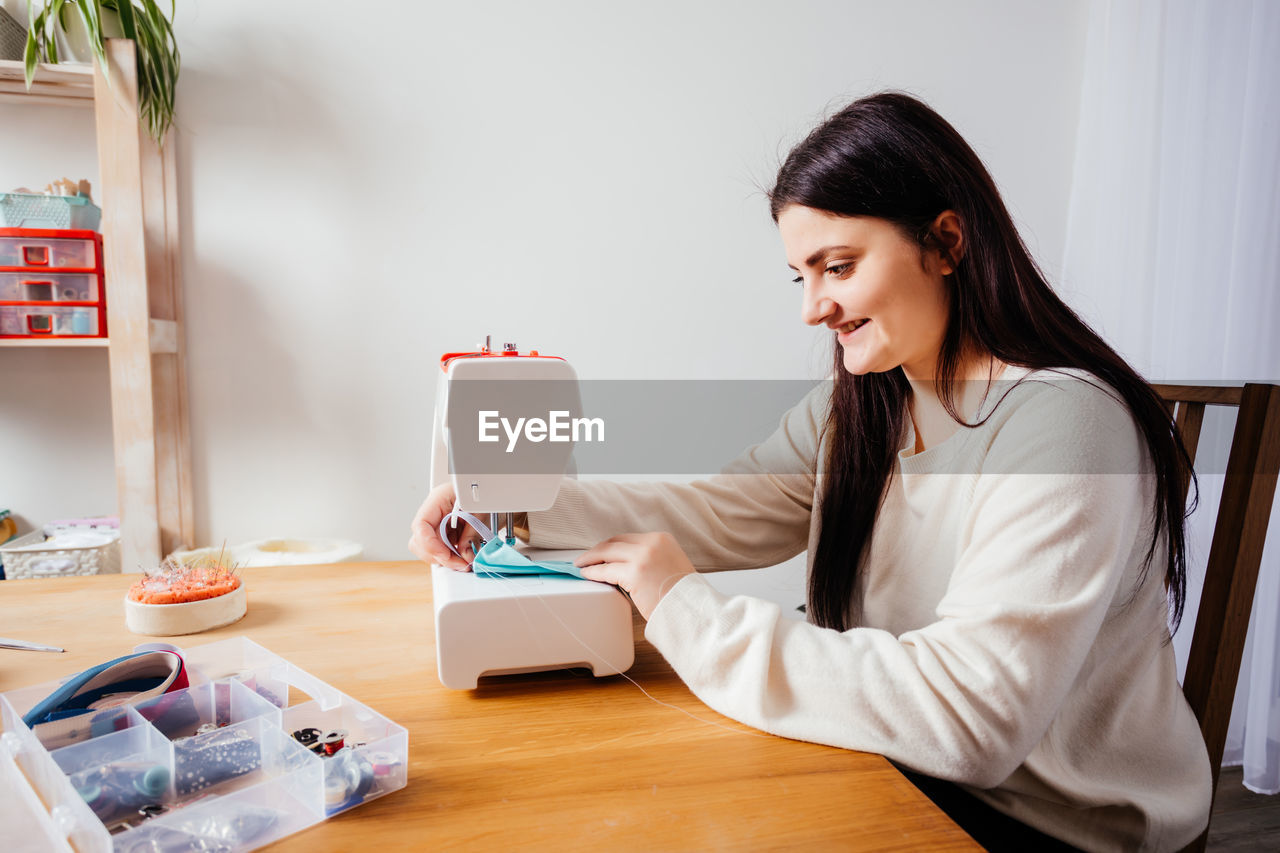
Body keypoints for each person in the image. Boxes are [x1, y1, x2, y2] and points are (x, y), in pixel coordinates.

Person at [409, 92, 1211, 852]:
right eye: (802, 276)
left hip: (1055, 826)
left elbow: (974, 719)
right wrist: (514, 508)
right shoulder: (864, 406)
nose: (812, 308)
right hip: (907, 765)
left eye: (838, 266)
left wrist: (690, 612)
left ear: (946, 243)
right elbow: (724, 506)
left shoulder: (1066, 424)